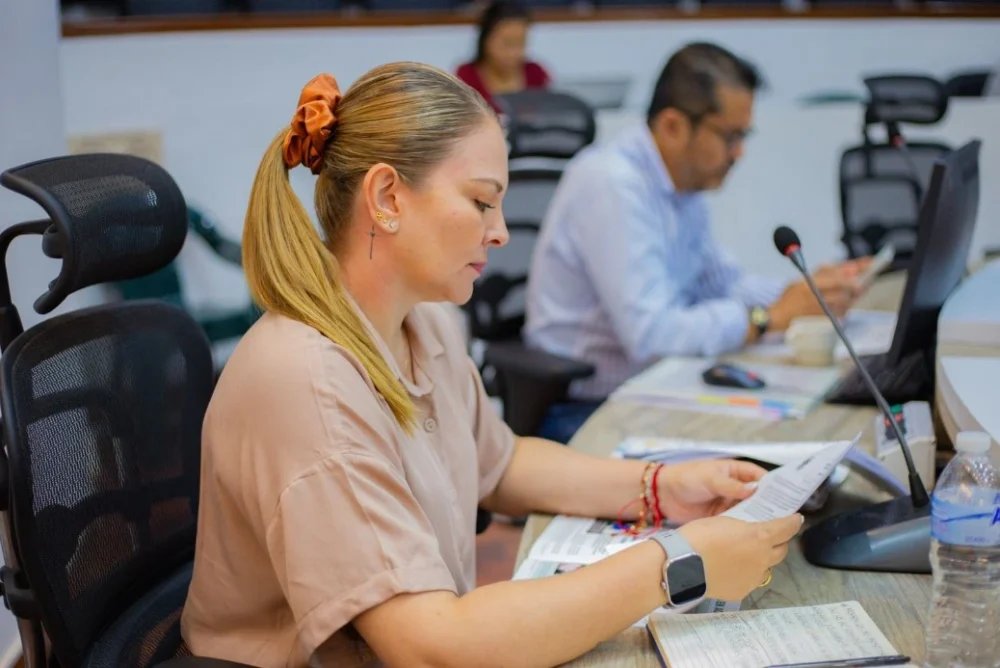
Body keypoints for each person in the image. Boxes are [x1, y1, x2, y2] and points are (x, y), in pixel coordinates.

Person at [180, 62, 803, 668]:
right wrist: (676, 562)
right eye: (482, 202)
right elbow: (431, 648)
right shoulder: (309, 381)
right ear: (387, 197)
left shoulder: (422, 320)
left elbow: (499, 463)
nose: (501, 232)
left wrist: (662, 486)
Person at [524, 42, 872, 443]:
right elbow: (651, 337)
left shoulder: (683, 186)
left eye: (744, 136)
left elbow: (721, 283)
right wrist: (767, 318)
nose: (739, 153)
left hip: (657, 388)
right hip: (585, 408)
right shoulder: (611, 185)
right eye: (729, 136)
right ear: (673, 126)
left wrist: (809, 291)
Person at [455, 0, 551, 112]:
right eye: (507, 44)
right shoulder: (466, 77)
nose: (514, 53)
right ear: (485, 40)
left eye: (521, 43)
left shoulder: (536, 74)